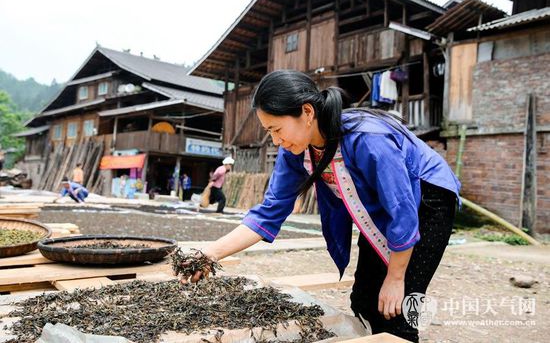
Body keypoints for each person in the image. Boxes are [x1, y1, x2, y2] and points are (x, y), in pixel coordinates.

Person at [183, 70, 461, 342]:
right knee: (364, 299)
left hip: (427, 197)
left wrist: (396, 276)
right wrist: (210, 254)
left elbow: (400, 207)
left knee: (395, 309)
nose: (276, 140)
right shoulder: (294, 150)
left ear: (307, 112)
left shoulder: (367, 137)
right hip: (380, 208)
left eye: (277, 129)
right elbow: (269, 212)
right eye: (270, 132)